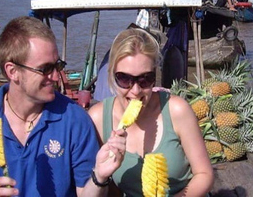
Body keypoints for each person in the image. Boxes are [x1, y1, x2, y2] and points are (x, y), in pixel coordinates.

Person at [0, 16, 126, 196]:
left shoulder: (74, 120)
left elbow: (86, 192)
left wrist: (99, 177)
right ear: (13, 71)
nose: (56, 76)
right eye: (45, 69)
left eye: (58, 65)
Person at [88, 28, 214, 196]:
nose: (135, 90)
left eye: (145, 79)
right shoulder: (97, 118)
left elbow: (204, 174)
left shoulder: (176, 110)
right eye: (124, 79)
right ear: (111, 75)